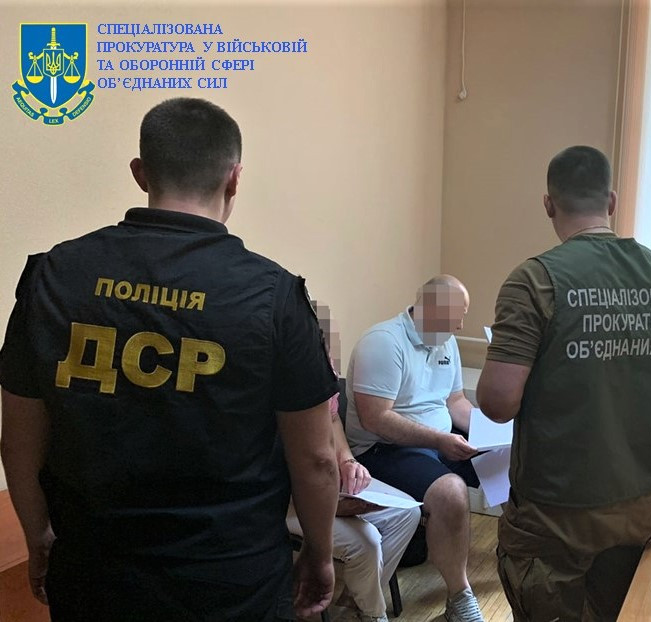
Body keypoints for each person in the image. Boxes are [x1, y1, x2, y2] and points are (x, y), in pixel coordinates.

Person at [0, 98, 340, 622]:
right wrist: (320, 553)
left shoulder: (53, 275)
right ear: (234, 179)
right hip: (232, 585)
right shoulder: (274, 296)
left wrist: (39, 535)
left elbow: (18, 440)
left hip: (94, 576)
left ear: (141, 173)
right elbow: (317, 459)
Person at [476, 145, 651, 621]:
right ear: (612, 201)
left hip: (556, 514)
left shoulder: (534, 281)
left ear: (549, 204)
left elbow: (498, 403)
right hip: (638, 503)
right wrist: (626, 380)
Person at [343, 275, 486, 622]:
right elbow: (376, 419)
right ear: (429, 308)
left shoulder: (445, 341)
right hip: (381, 450)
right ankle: (460, 597)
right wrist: (439, 440)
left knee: (512, 463)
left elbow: (455, 401)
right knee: (450, 491)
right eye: (455, 317)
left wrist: (490, 434)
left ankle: (521, 562)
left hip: (436, 440)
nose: (460, 326)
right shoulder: (383, 342)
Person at [286, 302, 421, 622]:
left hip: (327, 486)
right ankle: (373, 613)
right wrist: (329, 504)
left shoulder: (323, 374)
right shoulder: (275, 391)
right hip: (290, 500)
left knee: (407, 513)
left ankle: (355, 601)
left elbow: (333, 420)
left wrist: (347, 461)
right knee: (367, 543)